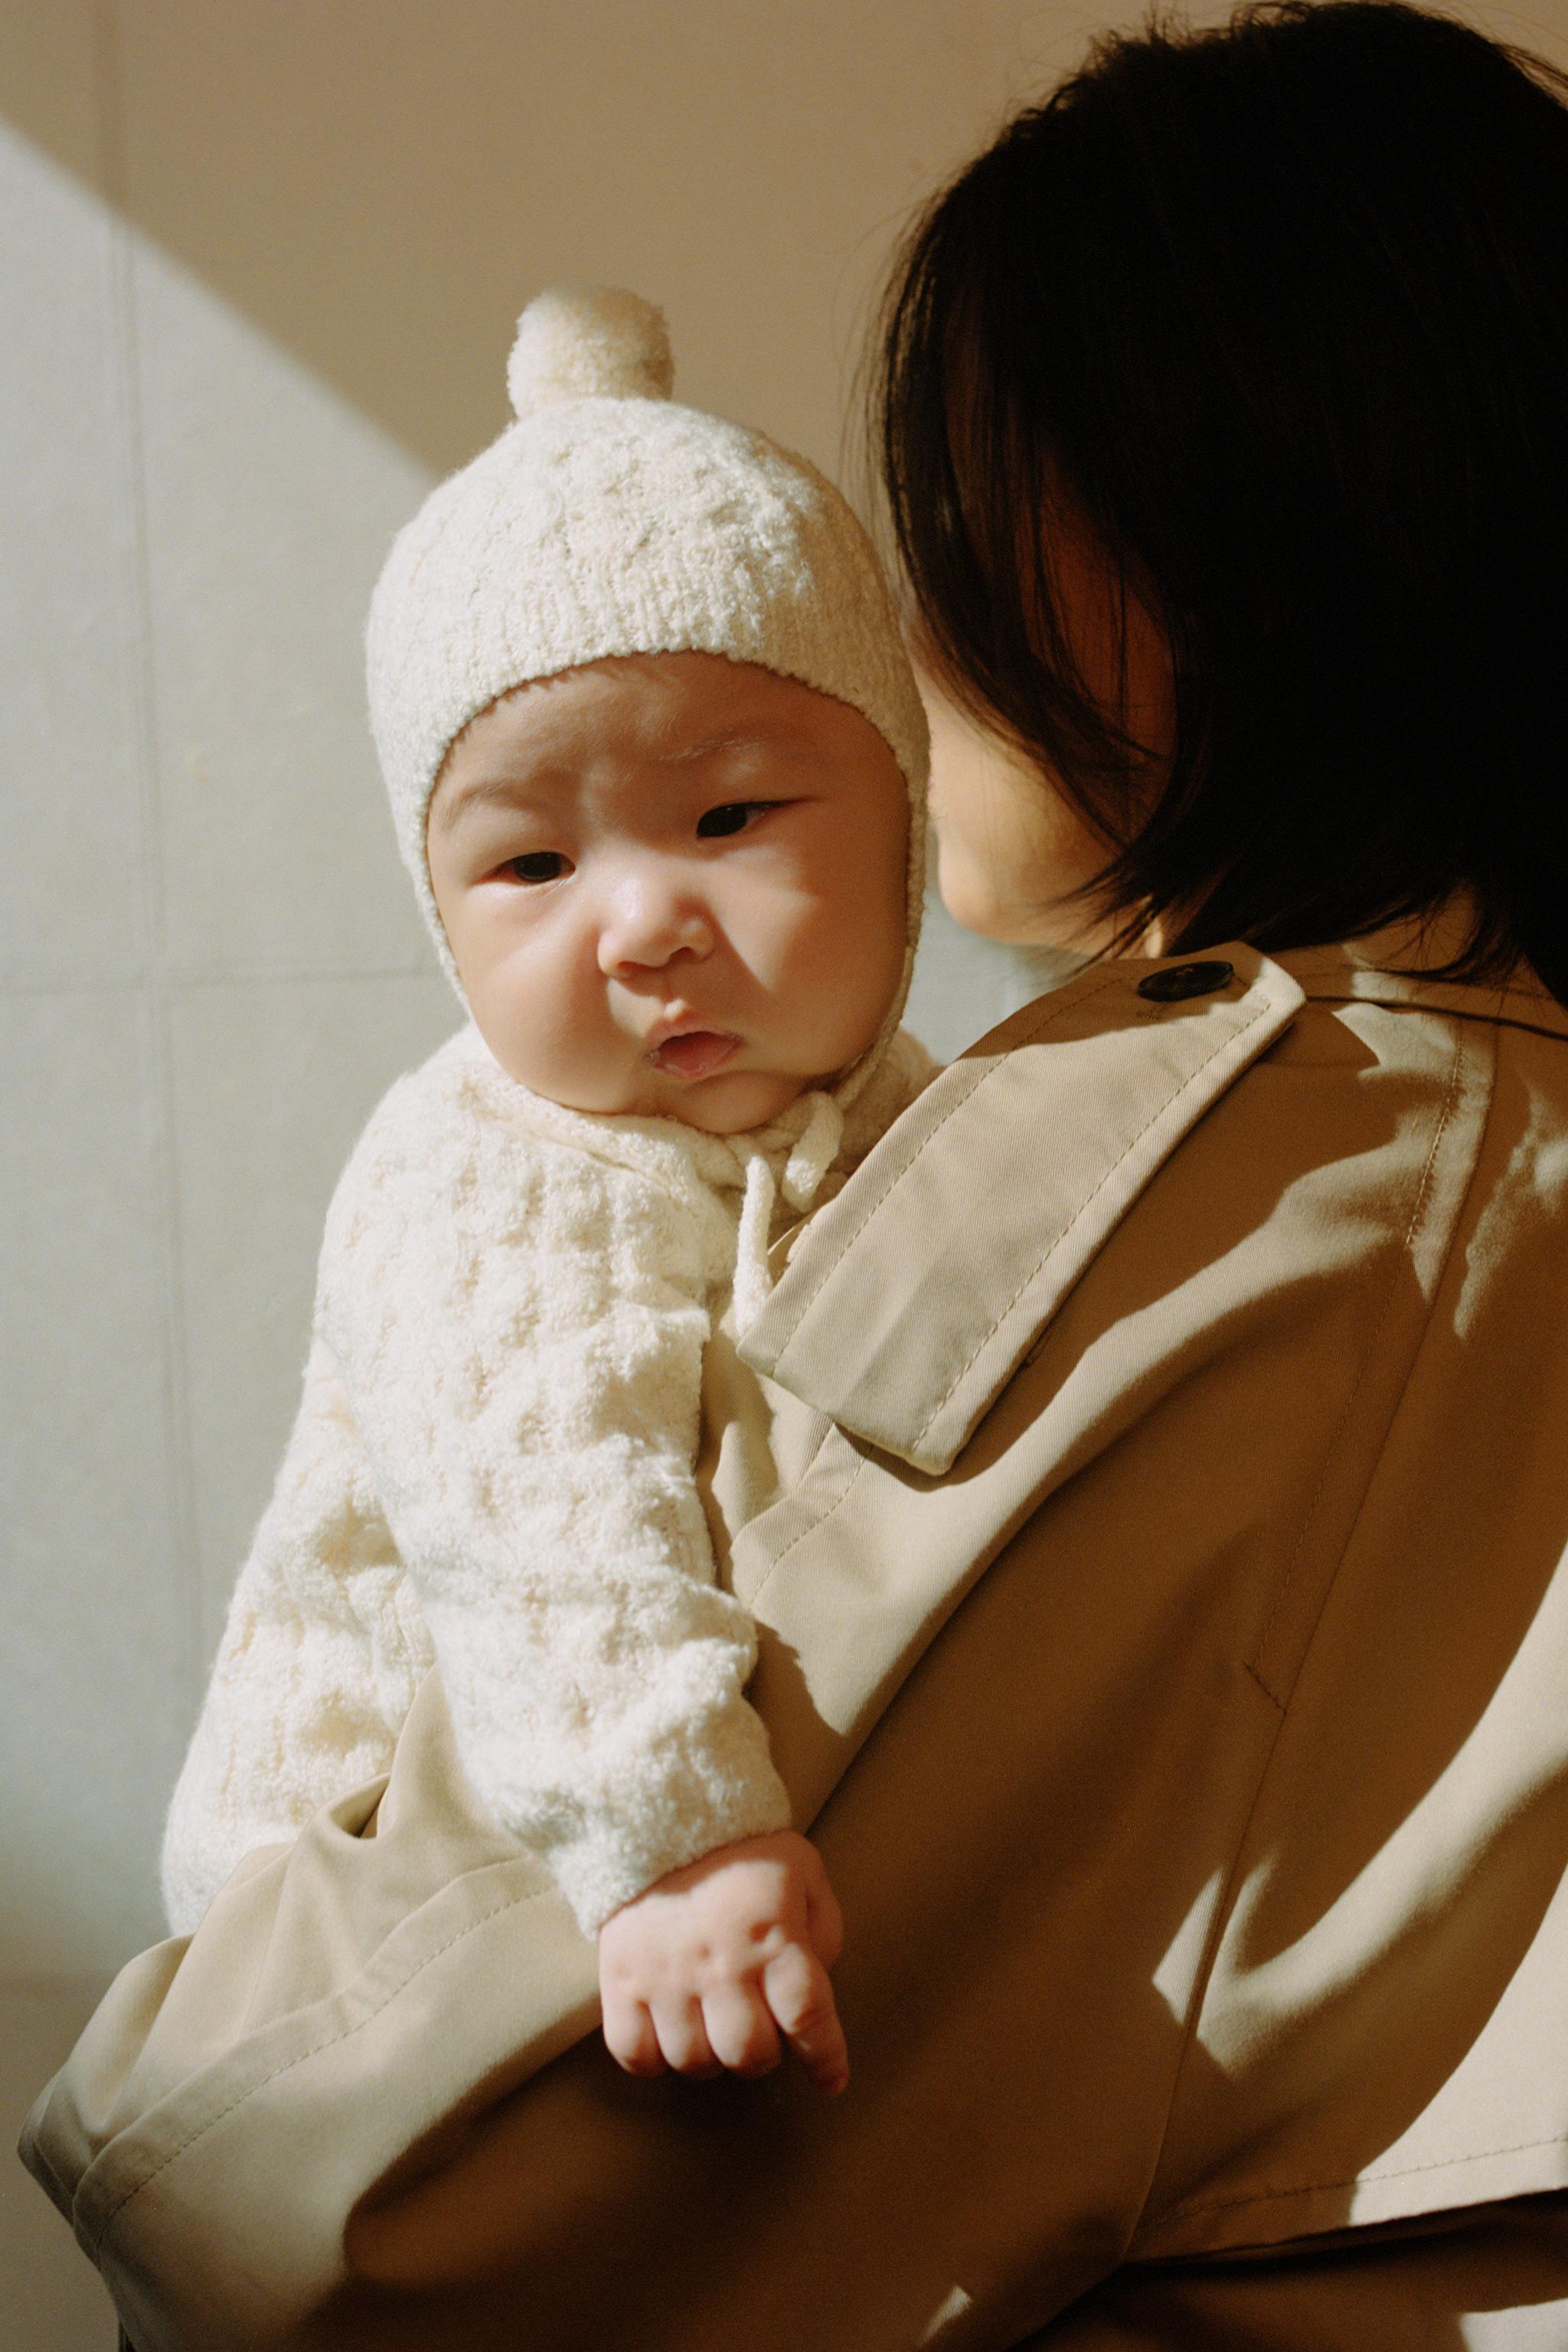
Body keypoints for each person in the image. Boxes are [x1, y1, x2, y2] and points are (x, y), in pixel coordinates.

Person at [22, 4, 1568, 2344]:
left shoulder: (1181, 1168)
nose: (921, 610)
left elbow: (309, 2204)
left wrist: (161, 2067)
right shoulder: (1490, 1103)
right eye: (528, 854)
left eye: (959, 501)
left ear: (1202, 525)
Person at [155, 283, 936, 2099]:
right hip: (364, 1924)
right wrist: (668, 1834)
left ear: (899, 809)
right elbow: (539, 1516)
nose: (642, 919)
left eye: (730, 816)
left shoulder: (895, 1112)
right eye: (528, 859)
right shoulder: (490, 1168)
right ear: (439, 915)